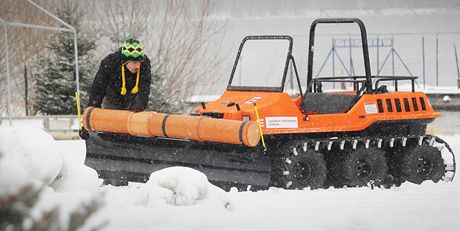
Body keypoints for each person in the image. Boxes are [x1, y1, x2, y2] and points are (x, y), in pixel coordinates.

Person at [88, 38, 151, 112]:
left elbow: (144, 89)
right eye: (134, 62)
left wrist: (138, 106)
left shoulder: (145, 64)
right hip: (112, 101)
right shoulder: (109, 63)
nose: (138, 66)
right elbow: (98, 87)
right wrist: (93, 108)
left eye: (139, 62)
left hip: (132, 101)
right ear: (125, 61)